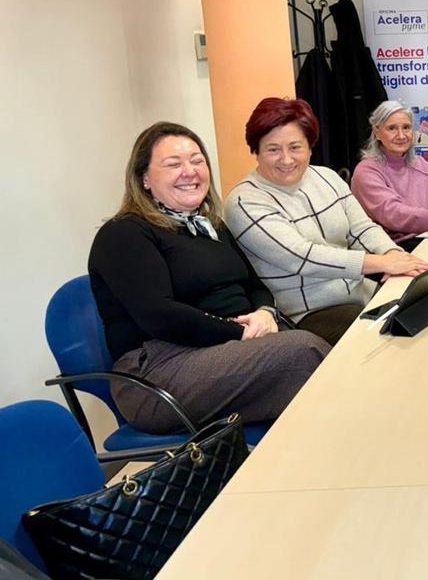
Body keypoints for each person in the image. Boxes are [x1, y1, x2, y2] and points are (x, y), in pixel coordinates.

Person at [88, 122, 332, 433]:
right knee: (302, 354)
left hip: (224, 349)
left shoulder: (210, 226)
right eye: (173, 164)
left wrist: (264, 312)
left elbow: (254, 285)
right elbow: (160, 316)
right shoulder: (124, 233)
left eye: (197, 160)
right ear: (144, 178)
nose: (189, 171)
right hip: (156, 373)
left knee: (319, 352)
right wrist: (239, 332)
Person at [225, 98, 428, 346]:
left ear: (310, 148)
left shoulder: (327, 177)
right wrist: (381, 263)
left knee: (427, 311)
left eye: (295, 147)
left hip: (360, 293)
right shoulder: (244, 201)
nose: (286, 159)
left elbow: (361, 228)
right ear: (256, 151)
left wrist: (394, 254)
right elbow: (302, 256)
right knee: (390, 340)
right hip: (309, 312)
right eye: (273, 150)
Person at [351, 100, 428, 247]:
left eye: (406, 127)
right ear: (377, 132)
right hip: (392, 248)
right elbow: (393, 214)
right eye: (392, 128)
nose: (401, 136)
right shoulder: (366, 171)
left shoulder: (418, 163)